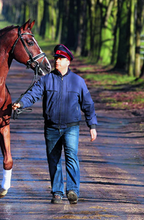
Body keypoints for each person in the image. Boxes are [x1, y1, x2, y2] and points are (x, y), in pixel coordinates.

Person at [12, 44, 97, 204]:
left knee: (71, 157)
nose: (57, 61)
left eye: (61, 58)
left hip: (71, 127)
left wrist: (92, 126)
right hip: (51, 127)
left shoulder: (78, 82)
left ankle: (73, 190)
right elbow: (33, 94)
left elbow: (88, 105)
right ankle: (57, 192)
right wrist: (21, 103)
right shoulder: (46, 80)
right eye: (56, 58)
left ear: (68, 62)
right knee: (54, 160)